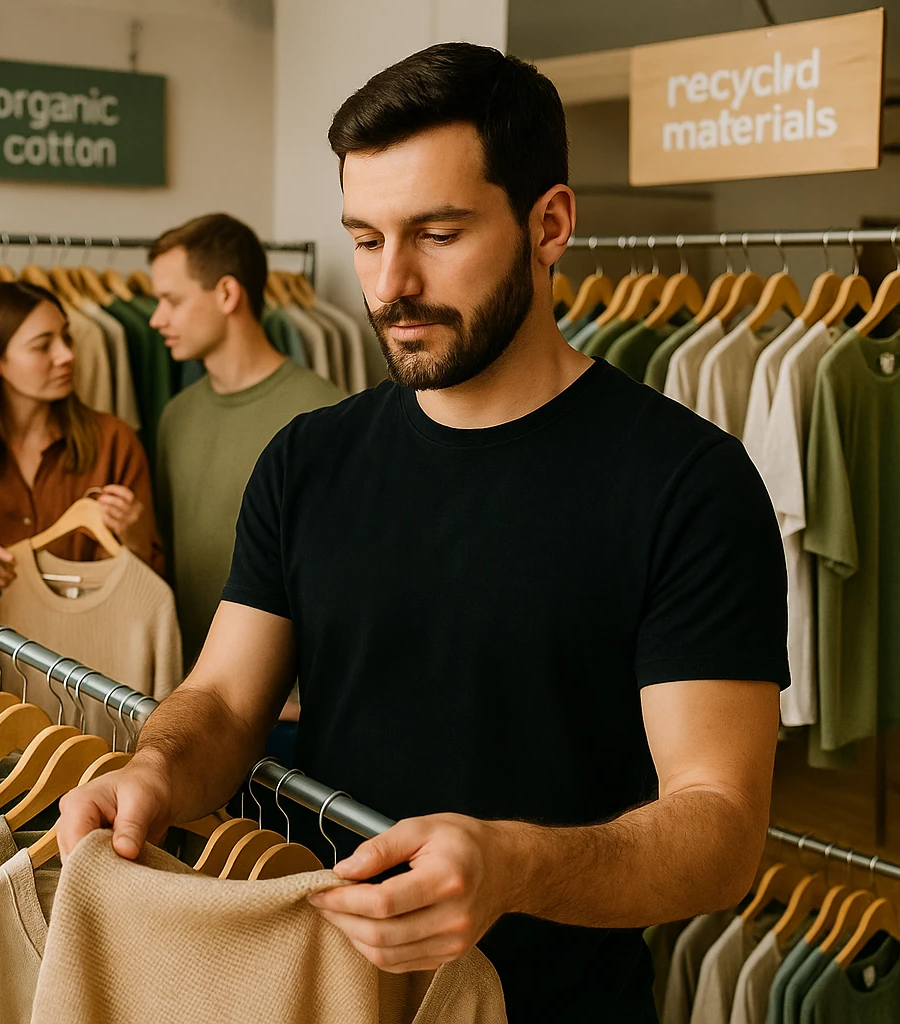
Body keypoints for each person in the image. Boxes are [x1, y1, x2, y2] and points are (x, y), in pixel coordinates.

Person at [58, 43, 786, 1023]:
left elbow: (722, 828)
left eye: (437, 234)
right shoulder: (305, 461)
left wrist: (511, 864)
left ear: (551, 223)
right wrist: (153, 766)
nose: (391, 283)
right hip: (324, 988)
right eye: (365, 238)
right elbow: (226, 701)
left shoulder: (688, 484)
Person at [150, 214, 341, 675]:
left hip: (292, 709)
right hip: (194, 696)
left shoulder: (322, 417)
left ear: (227, 294)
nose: (157, 319)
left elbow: (344, 583)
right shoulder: (176, 417)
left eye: (171, 300)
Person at [0, 280, 160, 601]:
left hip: (93, 646)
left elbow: (151, 587)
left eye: (67, 338)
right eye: (43, 345)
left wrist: (136, 539)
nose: (67, 355)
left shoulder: (115, 442)